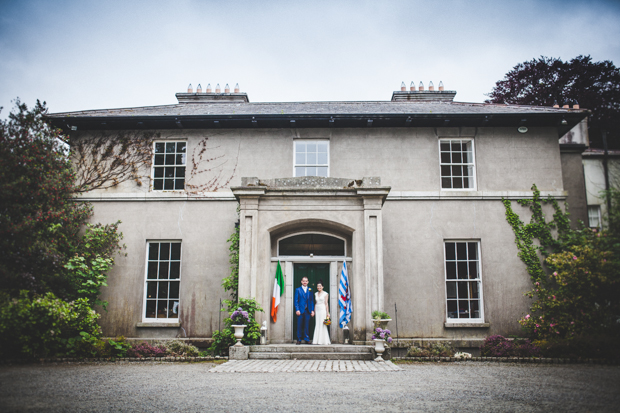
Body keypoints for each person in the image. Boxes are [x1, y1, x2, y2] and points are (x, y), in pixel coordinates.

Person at [294, 276, 314, 344]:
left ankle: (307, 338)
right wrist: (297, 309)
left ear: (308, 282)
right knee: (299, 325)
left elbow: (311, 301)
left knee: (307, 325)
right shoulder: (298, 290)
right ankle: (299, 339)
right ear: (301, 282)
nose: (305, 282)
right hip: (300, 310)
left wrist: (312, 310)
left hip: (308, 310)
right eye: (303, 281)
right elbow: (296, 301)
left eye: (306, 281)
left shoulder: (310, 289)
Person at [312, 280, 331, 345]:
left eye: (320, 286)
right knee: (317, 324)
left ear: (322, 287)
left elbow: (326, 303)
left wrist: (327, 313)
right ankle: (316, 340)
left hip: (323, 309)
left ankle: (323, 340)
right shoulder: (315, 294)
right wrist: (314, 311)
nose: (318, 287)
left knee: (322, 324)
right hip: (317, 310)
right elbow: (315, 303)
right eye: (318, 286)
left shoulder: (326, 294)